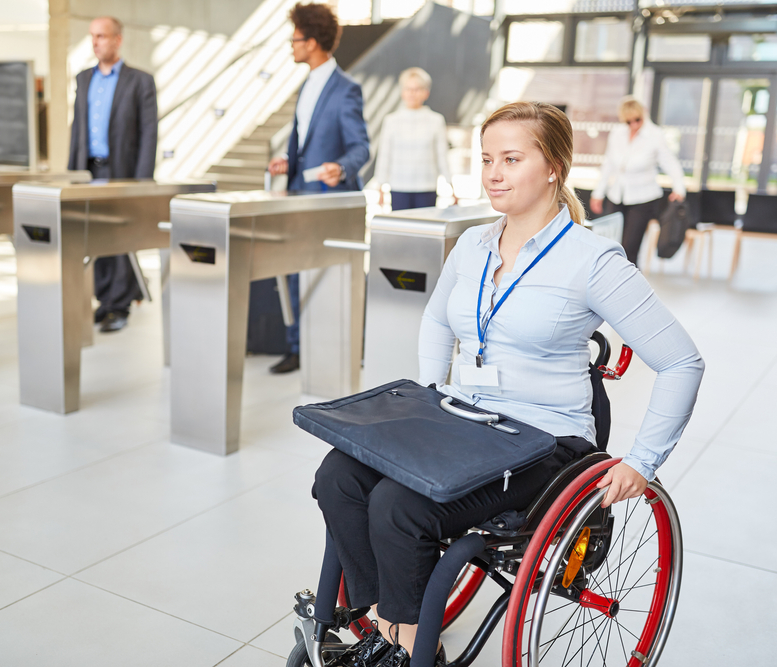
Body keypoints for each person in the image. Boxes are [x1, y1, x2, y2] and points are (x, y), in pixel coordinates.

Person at [312, 102, 704, 666]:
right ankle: (388, 625)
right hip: (463, 420)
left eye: (511, 159)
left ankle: (406, 645)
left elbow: (682, 362)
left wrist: (642, 462)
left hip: (543, 441)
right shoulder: (473, 243)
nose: (493, 173)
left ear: (553, 168)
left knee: (399, 506)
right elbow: (438, 318)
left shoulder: (592, 260)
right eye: (487, 159)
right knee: (339, 476)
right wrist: (428, 396)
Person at [267, 2, 370, 374]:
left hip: (329, 201)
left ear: (311, 42)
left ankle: (335, 346)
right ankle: (296, 347)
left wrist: (340, 167)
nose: (291, 46)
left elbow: (361, 148)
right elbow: (303, 142)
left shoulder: (346, 90)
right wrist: (286, 161)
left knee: (332, 276)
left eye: (295, 39)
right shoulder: (306, 85)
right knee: (294, 271)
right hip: (299, 196)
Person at [68, 16, 158, 333]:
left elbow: (149, 133)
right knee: (97, 236)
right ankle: (105, 300)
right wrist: (72, 172)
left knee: (121, 237)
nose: (96, 42)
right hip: (88, 170)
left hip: (123, 170)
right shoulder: (83, 79)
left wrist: (143, 180)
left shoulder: (140, 81)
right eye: (93, 36)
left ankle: (119, 305)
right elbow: (77, 129)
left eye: (102, 36)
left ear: (118, 40)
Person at [590, 95, 686, 267]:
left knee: (629, 248)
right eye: (628, 121)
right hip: (617, 195)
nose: (633, 124)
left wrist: (679, 188)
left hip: (644, 198)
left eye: (637, 120)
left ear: (644, 114)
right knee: (612, 245)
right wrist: (598, 193)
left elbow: (670, 163)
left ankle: (630, 289)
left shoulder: (655, 135)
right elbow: (608, 164)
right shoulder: (617, 133)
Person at [373, 68, 452, 211]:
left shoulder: (436, 120)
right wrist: (380, 186)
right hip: (399, 187)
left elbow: (442, 155)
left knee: (424, 229)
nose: (412, 93)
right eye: (408, 89)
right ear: (402, 92)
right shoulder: (391, 120)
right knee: (401, 230)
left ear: (426, 92)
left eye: (417, 89)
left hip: (427, 187)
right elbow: (385, 155)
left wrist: (451, 185)